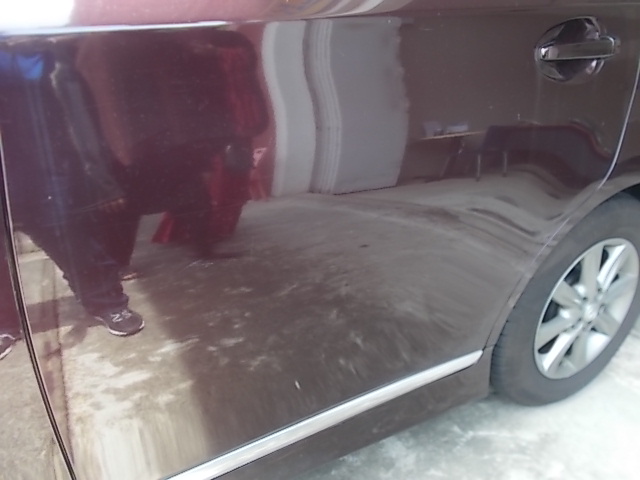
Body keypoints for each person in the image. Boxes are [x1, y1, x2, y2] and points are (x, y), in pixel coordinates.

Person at [0, 41, 143, 337]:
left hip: (41, 170)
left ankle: (107, 302)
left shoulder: (42, 59)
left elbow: (80, 121)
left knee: (70, 237)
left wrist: (101, 178)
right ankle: (3, 325)